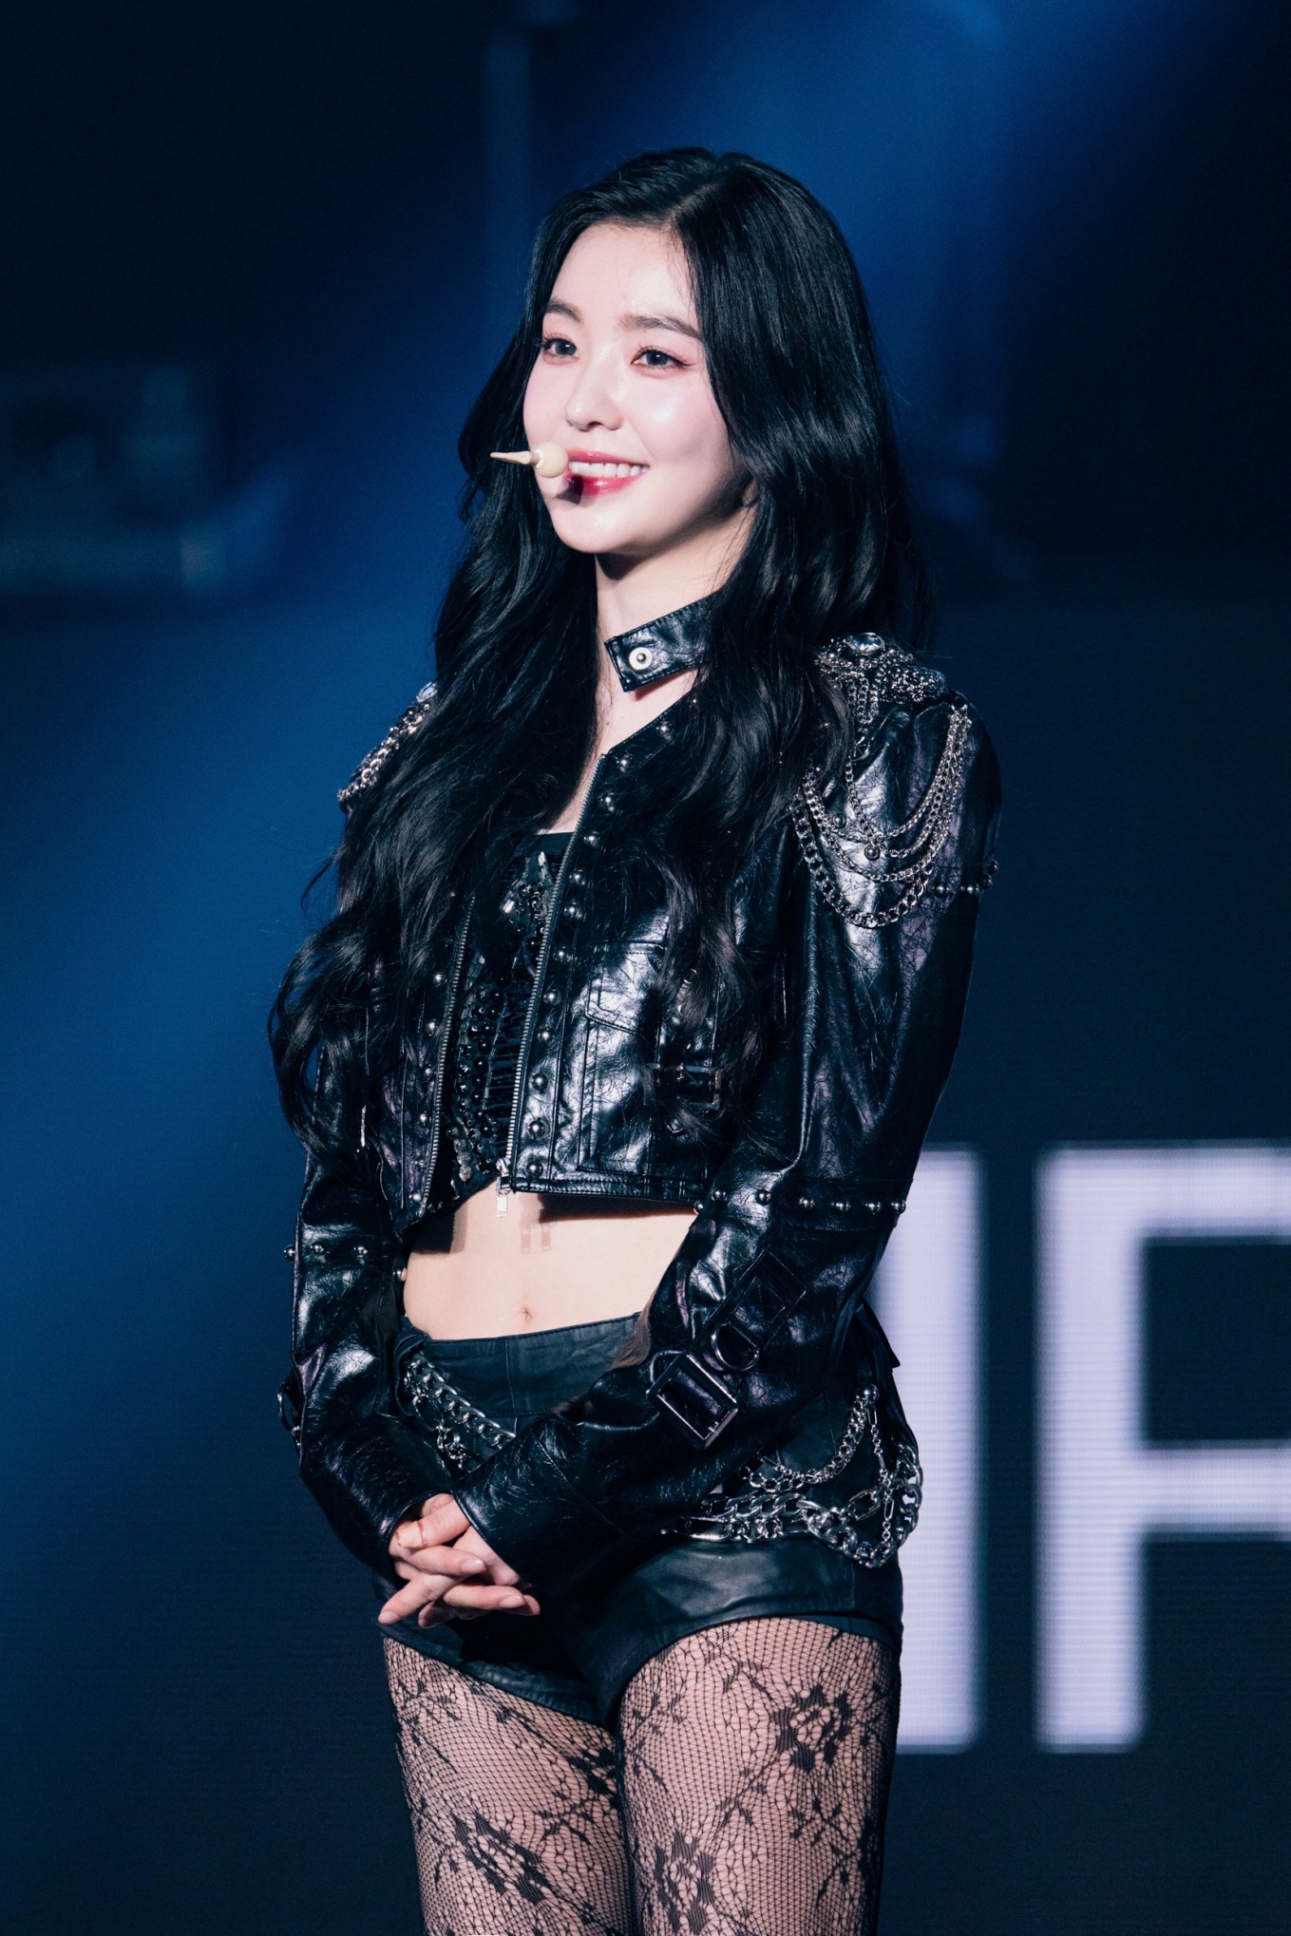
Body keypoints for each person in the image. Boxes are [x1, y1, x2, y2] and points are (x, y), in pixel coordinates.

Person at [272, 146, 1000, 1936]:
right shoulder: (431, 761)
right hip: (449, 1490)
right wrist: (387, 1474)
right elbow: (341, 1209)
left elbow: (817, 1207)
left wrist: (551, 1493)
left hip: (720, 1488)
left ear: (778, 403)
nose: (586, 403)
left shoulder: (871, 733)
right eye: (559, 344)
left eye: (658, 356)